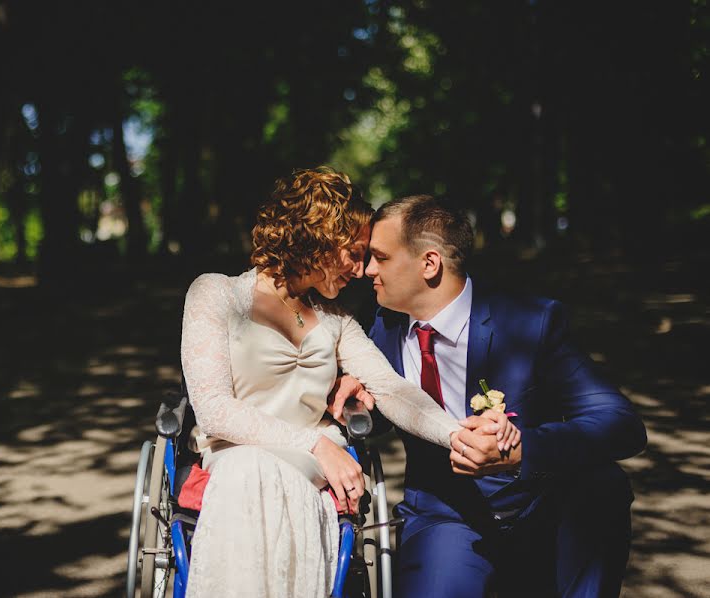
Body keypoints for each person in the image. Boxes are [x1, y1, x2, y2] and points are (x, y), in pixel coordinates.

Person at [179, 169, 516, 598]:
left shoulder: (336, 321)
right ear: (317, 241)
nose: (361, 271)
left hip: (312, 470)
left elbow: (393, 389)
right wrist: (315, 444)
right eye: (353, 254)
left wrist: (458, 434)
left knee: (288, 482)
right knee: (252, 469)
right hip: (239, 456)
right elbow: (212, 408)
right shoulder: (216, 295)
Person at [331, 194, 648, 597]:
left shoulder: (530, 322)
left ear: (430, 264)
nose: (366, 270)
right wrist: (357, 396)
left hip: (537, 506)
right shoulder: (381, 326)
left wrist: (521, 452)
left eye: (381, 257)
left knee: (603, 484)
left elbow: (620, 424)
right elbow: (384, 412)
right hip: (446, 517)